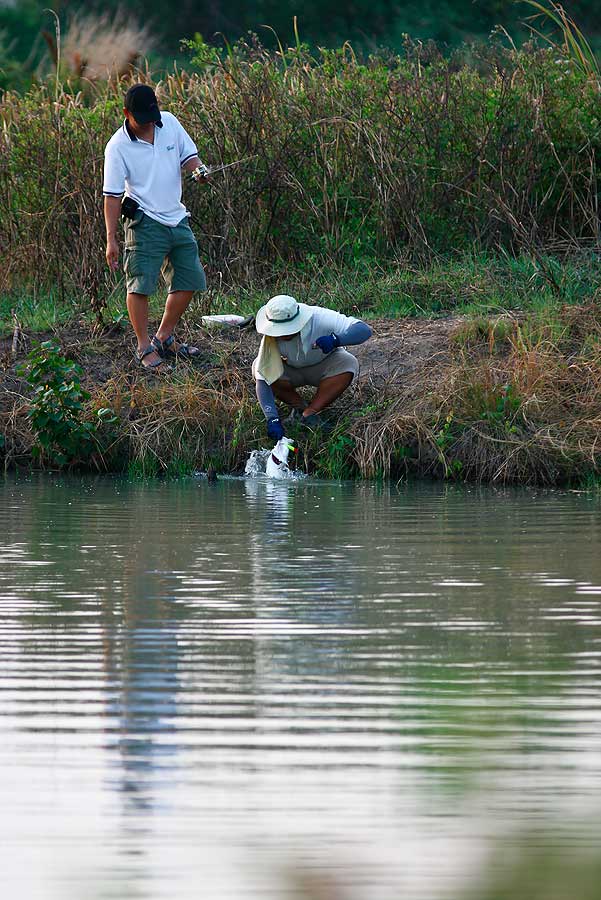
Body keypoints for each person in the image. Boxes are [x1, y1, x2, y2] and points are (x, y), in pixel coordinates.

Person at [103, 84, 209, 370]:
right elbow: (112, 195)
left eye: (153, 116)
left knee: (190, 278)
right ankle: (143, 347)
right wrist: (111, 239)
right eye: (142, 118)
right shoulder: (117, 147)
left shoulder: (169, 122)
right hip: (144, 221)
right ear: (126, 113)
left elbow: (189, 157)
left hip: (177, 216)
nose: (150, 123)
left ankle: (164, 336)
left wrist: (198, 170)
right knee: (140, 285)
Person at [253, 294, 372, 440]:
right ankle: (299, 407)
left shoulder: (319, 317)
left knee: (348, 362)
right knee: (257, 366)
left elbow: (364, 330)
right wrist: (272, 418)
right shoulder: (269, 336)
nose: (283, 334)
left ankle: (310, 413)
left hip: (323, 365)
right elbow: (262, 378)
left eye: (288, 329)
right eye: (279, 330)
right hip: (290, 371)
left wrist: (336, 340)